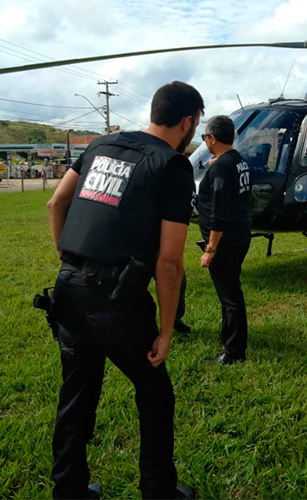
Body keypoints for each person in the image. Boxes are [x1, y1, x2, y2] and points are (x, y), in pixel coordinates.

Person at [46, 81, 204, 499]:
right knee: (155, 394)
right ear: (187, 121)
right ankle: (158, 491)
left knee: (77, 394)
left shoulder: (100, 145)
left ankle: (70, 490)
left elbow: (55, 203)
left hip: (68, 288)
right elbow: (168, 263)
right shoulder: (172, 165)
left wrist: (67, 255)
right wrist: (167, 331)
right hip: (115, 300)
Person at [197, 115, 252, 365]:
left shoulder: (222, 166)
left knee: (230, 296)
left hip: (225, 240)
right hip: (240, 234)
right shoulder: (237, 161)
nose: (205, 141)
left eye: (205, 137)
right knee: (229, 291)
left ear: (213, 138)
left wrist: (211, 248)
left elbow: (219, 211)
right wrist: (216, 163)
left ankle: (234, 352)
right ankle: (228, 336)